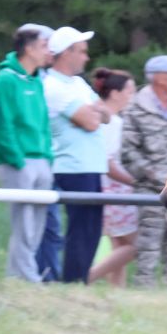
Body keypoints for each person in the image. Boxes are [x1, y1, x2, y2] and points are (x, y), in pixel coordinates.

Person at [41, 27, 107, 285]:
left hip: (89, 166)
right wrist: (94, 112)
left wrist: (94, 112)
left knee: (91, 229)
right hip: (71, 168)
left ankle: (79, 280)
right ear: (66, 53)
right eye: (81, 52)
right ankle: (72, 282)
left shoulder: (77, 84)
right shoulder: (53, 86)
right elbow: (93, 121)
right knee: (80, 229)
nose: (86, 58)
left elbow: (105, 115)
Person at [121, 53, 167, 288]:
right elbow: (127, 153)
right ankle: (144, 293)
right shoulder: (136, 109)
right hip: (150, 192)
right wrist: (154, 176)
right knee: (148, 247)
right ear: (160, 78)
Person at [0, 25, 56, 281]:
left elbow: (42, 122)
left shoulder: (36, 80)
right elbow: (3, 122)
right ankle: (26, 277)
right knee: (23, 222)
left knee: (37, 223)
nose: (48, 52)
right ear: (28, 49)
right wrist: (16, 158)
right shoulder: (5, 79)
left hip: (41, 158)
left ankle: (19, 274)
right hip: (18, 160)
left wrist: (48, 156)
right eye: (43, 46)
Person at [86, 69, 139, 285]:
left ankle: (116, 293)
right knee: (136, 246)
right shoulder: (110, 123)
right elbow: (106, 163)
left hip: (114, 192)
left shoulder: (115, 120)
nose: (132, 96)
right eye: (130, 91)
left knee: (119, 248)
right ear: (115, 93)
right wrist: (135, 182)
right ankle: (85, 278)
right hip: (115, 193)